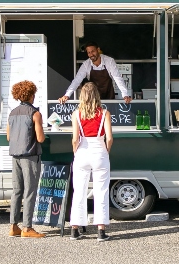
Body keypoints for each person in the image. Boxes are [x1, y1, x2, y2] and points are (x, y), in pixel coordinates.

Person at [69, 82, 113, 242]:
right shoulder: (105, 113)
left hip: (82, 152)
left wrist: (76, 151)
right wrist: (106, 151)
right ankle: (101, 230)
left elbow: (75, 139)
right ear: (97, 95)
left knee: (79, 191)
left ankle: (75, 228)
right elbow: (109, 138)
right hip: (99, 152)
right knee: (101, 191)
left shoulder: (76, 114)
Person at [6, 80, 46, 238]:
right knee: (30, 191)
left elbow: (9, 136)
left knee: (17, 191)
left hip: (15, 155)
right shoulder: (35, 114)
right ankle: (27, 228)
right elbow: (41, 138)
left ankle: (13, 226)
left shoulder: (12, 113)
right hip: (30, 156)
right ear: (30, 95)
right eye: (33, 93)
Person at [58, 41, 132, 104]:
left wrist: (125, 95)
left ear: (98, 50)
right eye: (89, 52)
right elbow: (77, 80)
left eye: (93, 51)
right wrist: (67, 95)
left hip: (109, 97)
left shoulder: (109, 61)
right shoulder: (86, 65)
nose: (91, 54)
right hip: (93, 100)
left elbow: (118, 78)